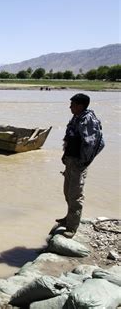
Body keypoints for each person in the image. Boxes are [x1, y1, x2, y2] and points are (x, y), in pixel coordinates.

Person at [57, 93, 104, 238]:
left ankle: (72, 227)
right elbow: (70, 138)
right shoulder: (77, 117)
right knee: (67, 191)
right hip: (71, 160)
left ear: (80, 106)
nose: (70, 107)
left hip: (78, 162)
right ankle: (68, 217)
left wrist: (82, 162)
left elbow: (93, 143)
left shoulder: (88, 120)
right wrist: (65, 157)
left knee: (75, 195)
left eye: (72, 104)